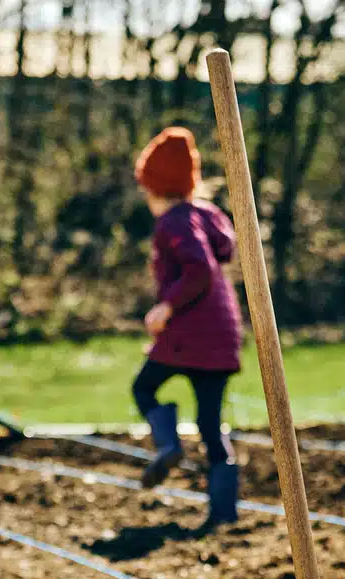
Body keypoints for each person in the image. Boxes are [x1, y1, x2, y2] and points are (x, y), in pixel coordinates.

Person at [132, 126, 243, 527]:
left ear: (154, 188)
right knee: (211, 424)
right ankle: (224, 513)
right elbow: (217, 258)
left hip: (189, 333)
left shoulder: (174, 222)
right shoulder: (207, 215)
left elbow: (198, 267)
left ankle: (167, 445)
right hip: (221, 334)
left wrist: (166, 306)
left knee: (143, 388)